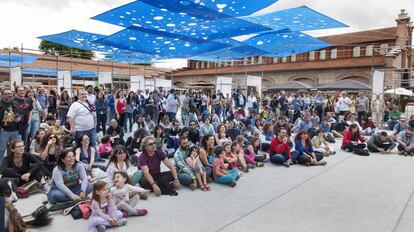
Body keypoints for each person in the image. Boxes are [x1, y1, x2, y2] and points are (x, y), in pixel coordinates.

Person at [0, 87, 22, 164]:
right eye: (6, 94)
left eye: (10, 93)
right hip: (4, 130)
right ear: (2, 95)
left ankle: (12, 164)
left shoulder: (15, 103)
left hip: (15, 130)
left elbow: (21, 113)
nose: (9, 95)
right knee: (2, 149)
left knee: (15, 149)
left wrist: (20, 118)